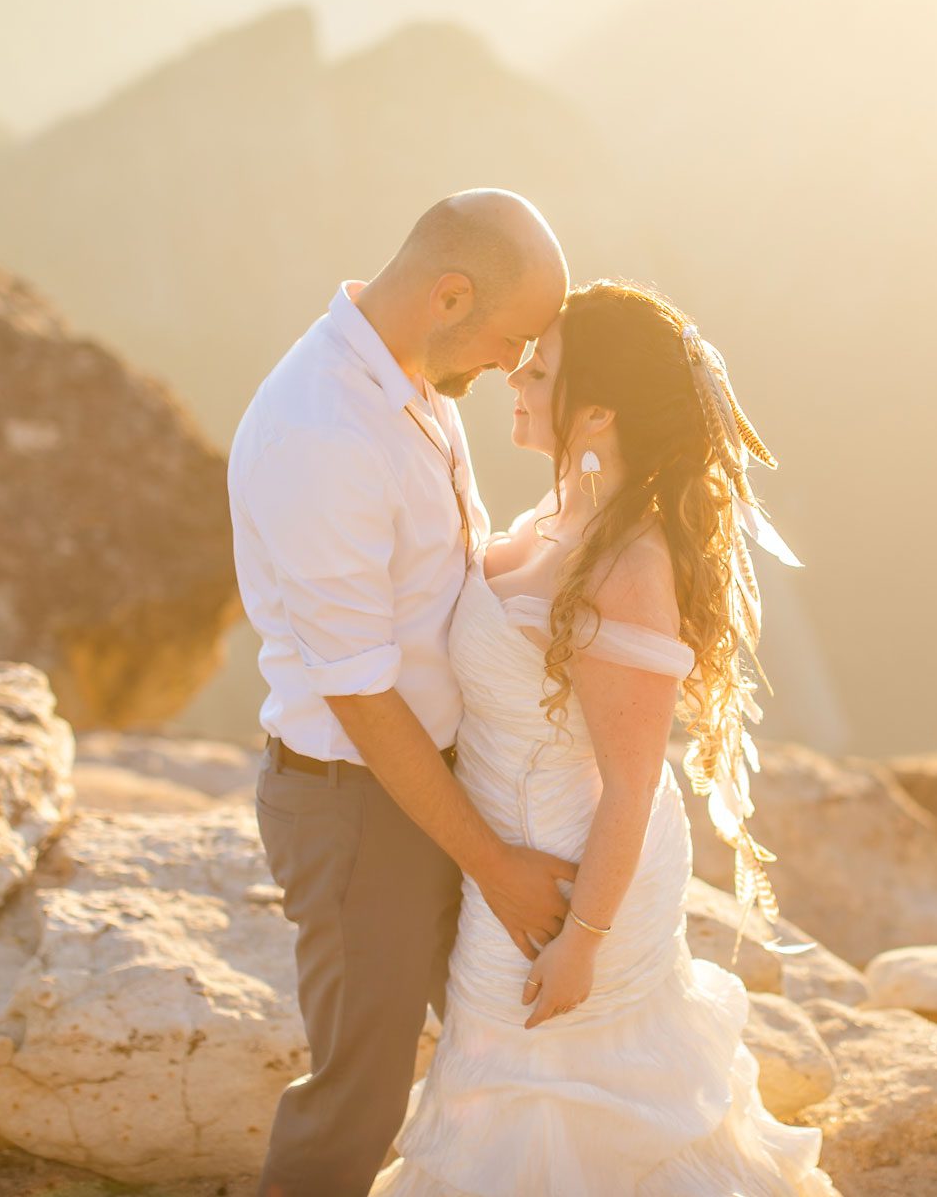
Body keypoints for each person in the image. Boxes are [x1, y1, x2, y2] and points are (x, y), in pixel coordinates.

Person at [370, 279, 837, 1194]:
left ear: (595, 415)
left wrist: (583, 939)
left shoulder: (627, 564)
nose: (513, 377)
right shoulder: (554, 524)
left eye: (538, 371)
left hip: (579, 883)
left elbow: (632, 784)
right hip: (514, 865)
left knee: (560, 1104)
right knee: (507, 1095)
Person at [227, 189, 578, 1197]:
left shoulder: (414, 384)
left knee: (498, 1050)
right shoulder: (322, 429)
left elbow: (446, 581)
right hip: (358, 806)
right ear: (452, 295)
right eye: (511, 340)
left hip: (437, 783)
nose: (515, 366)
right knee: (359, 1096)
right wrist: (496, 863)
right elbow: (363, 698)